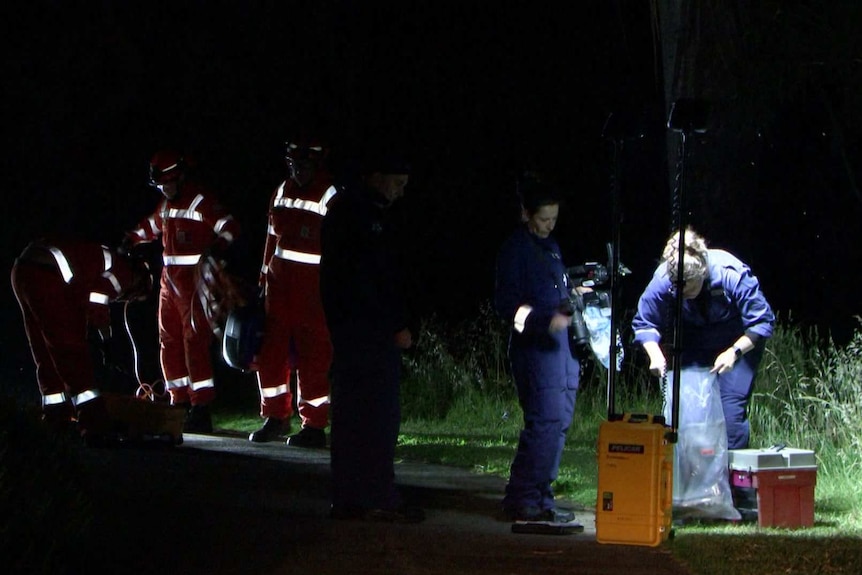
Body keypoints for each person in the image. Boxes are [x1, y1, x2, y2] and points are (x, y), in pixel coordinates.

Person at [319, 144, 423, 523]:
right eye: (396, 183)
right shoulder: (363, 218)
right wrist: (395, 325)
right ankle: (376, 493)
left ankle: (349, 495)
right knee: (376, 416)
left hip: (351, 333)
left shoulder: (353, 212)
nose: (399, 191)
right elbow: (371, 281)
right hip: (368, 334)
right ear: (376, 177)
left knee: (351, 414)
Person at [123, 149, 241, 433]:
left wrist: (217, 247)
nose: (165, 188)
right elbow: (150, 226)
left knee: (194, 342)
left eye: (168, 182)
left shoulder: (200, 201)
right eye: (160, 184)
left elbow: (230, 226)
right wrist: (130, 239)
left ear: (180, 177)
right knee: (169, 341)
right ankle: (179, 402)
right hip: (168, 282)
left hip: (194, 281)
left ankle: (201, 406)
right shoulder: (165, 204)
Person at [631, 227, 775, 449]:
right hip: (695, 337)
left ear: (702, 272)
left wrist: (733, 352)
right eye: (676, 288)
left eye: (688, 288)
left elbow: (761, 321)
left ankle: (731, 477)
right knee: (688, 409)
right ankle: (691, 475)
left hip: (739, 340)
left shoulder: (731, 274)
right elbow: (644, 321)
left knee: (730, 411)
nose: (681, 294)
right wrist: (655, 355)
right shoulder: (663, 279)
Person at [493, 178, 582, 524]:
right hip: (535, 351)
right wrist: (543, 321)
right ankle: (523, 497)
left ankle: (542, 496)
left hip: (562, 350)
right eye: (543, 219)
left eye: (554, 220)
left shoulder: (552, 247)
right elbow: (508, 306)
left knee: (559, 423)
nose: (549, 226)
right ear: (526, 214)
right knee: (543, 422)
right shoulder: (515, 250)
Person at [11, 237, 151, 444]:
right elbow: (98, 303)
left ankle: (56, 417)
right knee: (72, 352)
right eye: (134, 297)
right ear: (138, 282)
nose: (126, 300)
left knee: (45, 350)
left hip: (23, 270)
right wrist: (108, 340)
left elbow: (81, 299)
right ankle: (93, 421)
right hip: (47, 275)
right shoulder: (124, 274)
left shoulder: (101, 260)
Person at [249, 139, 336, 447]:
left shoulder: (330, 195)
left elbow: (340, 248)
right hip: (278, 289)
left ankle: (314, 426)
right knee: (271, 354)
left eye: (305, 165)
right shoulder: (282, 190)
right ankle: (275, 418)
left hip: (314, 292)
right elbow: (271, 239)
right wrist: (262, 278)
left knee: (314, 357)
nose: (299, 171)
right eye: (295, 165)